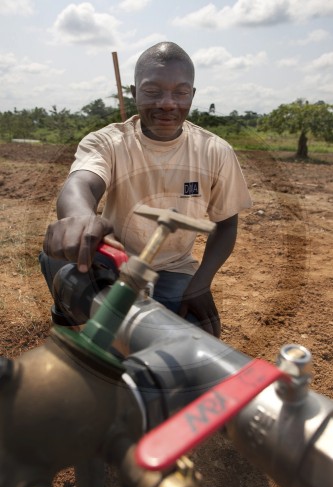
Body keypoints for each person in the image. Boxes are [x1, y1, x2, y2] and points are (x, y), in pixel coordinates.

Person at [40, 41, 252, 338]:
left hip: (173, 270)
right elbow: (81, 184)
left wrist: (201, 283)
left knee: (197, 340)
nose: (167, 102)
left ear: (192, 95)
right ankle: (73, 324)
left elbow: (227, 224)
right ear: (134, 91)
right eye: (153, 91)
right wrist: (79, 217)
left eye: (180, 92)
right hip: (112, 261)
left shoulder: (216, 151)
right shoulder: (107, 142)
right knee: (61, 257)